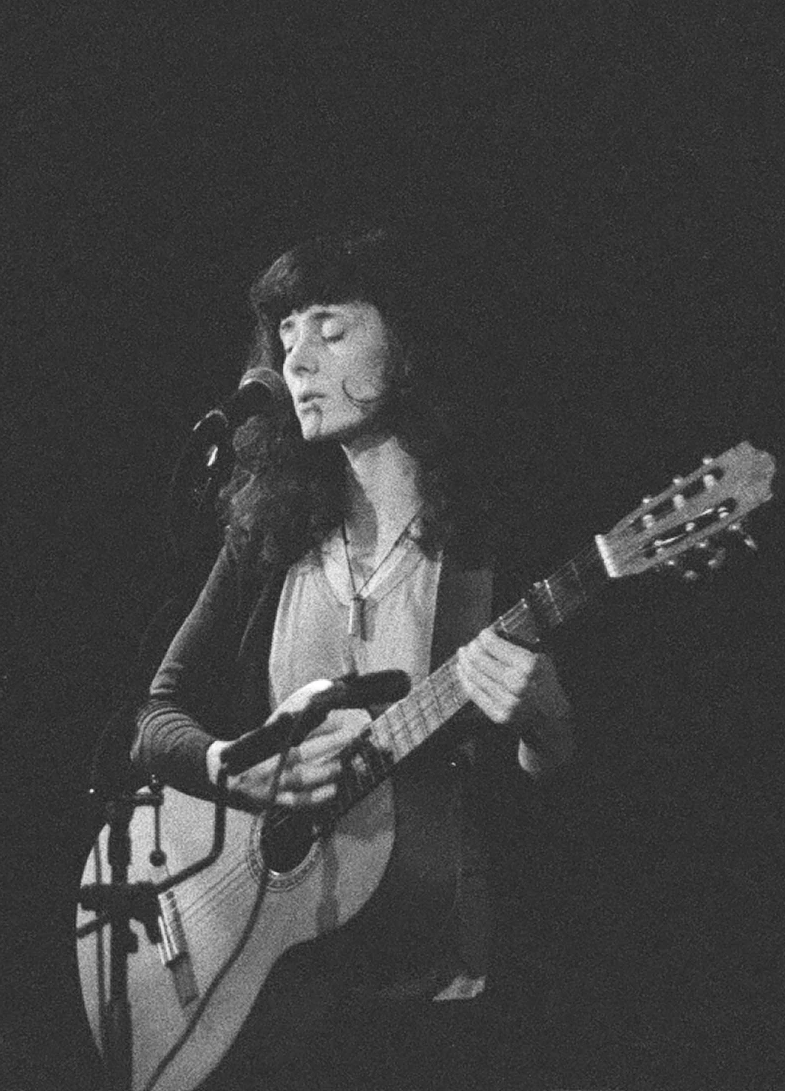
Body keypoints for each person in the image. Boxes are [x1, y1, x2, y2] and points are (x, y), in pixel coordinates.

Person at [131, 227, 583, 1091]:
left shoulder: (490, 540)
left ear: (408, 346)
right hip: (290, 993)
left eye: (330, 329)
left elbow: (564, 792)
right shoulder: (270, 539)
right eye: (286, 334)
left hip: (445, 992)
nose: (296, 358)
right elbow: (154, 720)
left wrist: (546, 724)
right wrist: (233, 770)